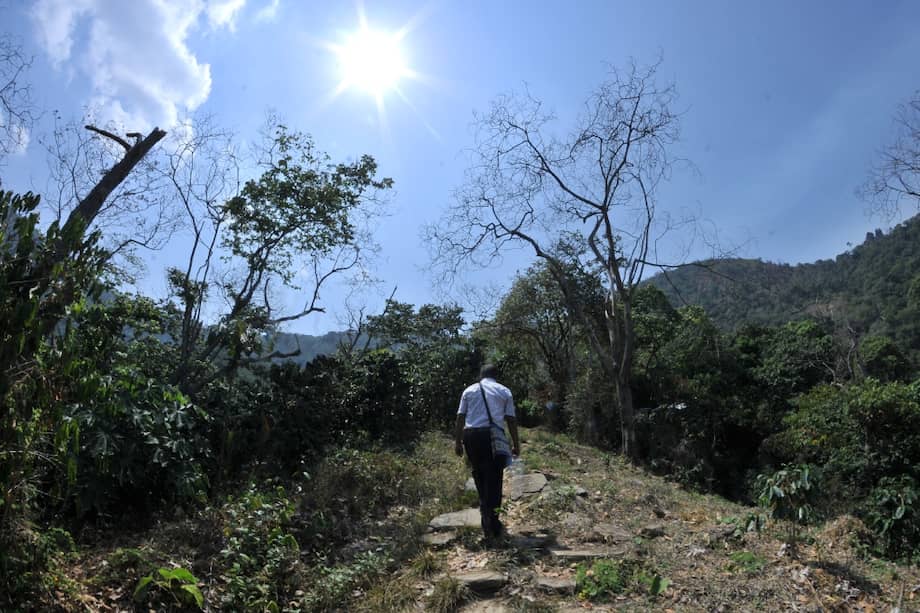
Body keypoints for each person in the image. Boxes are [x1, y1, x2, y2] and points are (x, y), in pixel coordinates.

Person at [454, 364, 520, 540]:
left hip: (471, 436)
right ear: (495, 376)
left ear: (480, 375)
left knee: (479, 475)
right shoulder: (504, 391)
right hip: (492, 437)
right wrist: (516, 444)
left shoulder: (469, 391)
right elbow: (511, 420)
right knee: (495, 477)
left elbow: (460, 417)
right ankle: (493, 522)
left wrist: (457, 443)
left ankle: (486, 517)